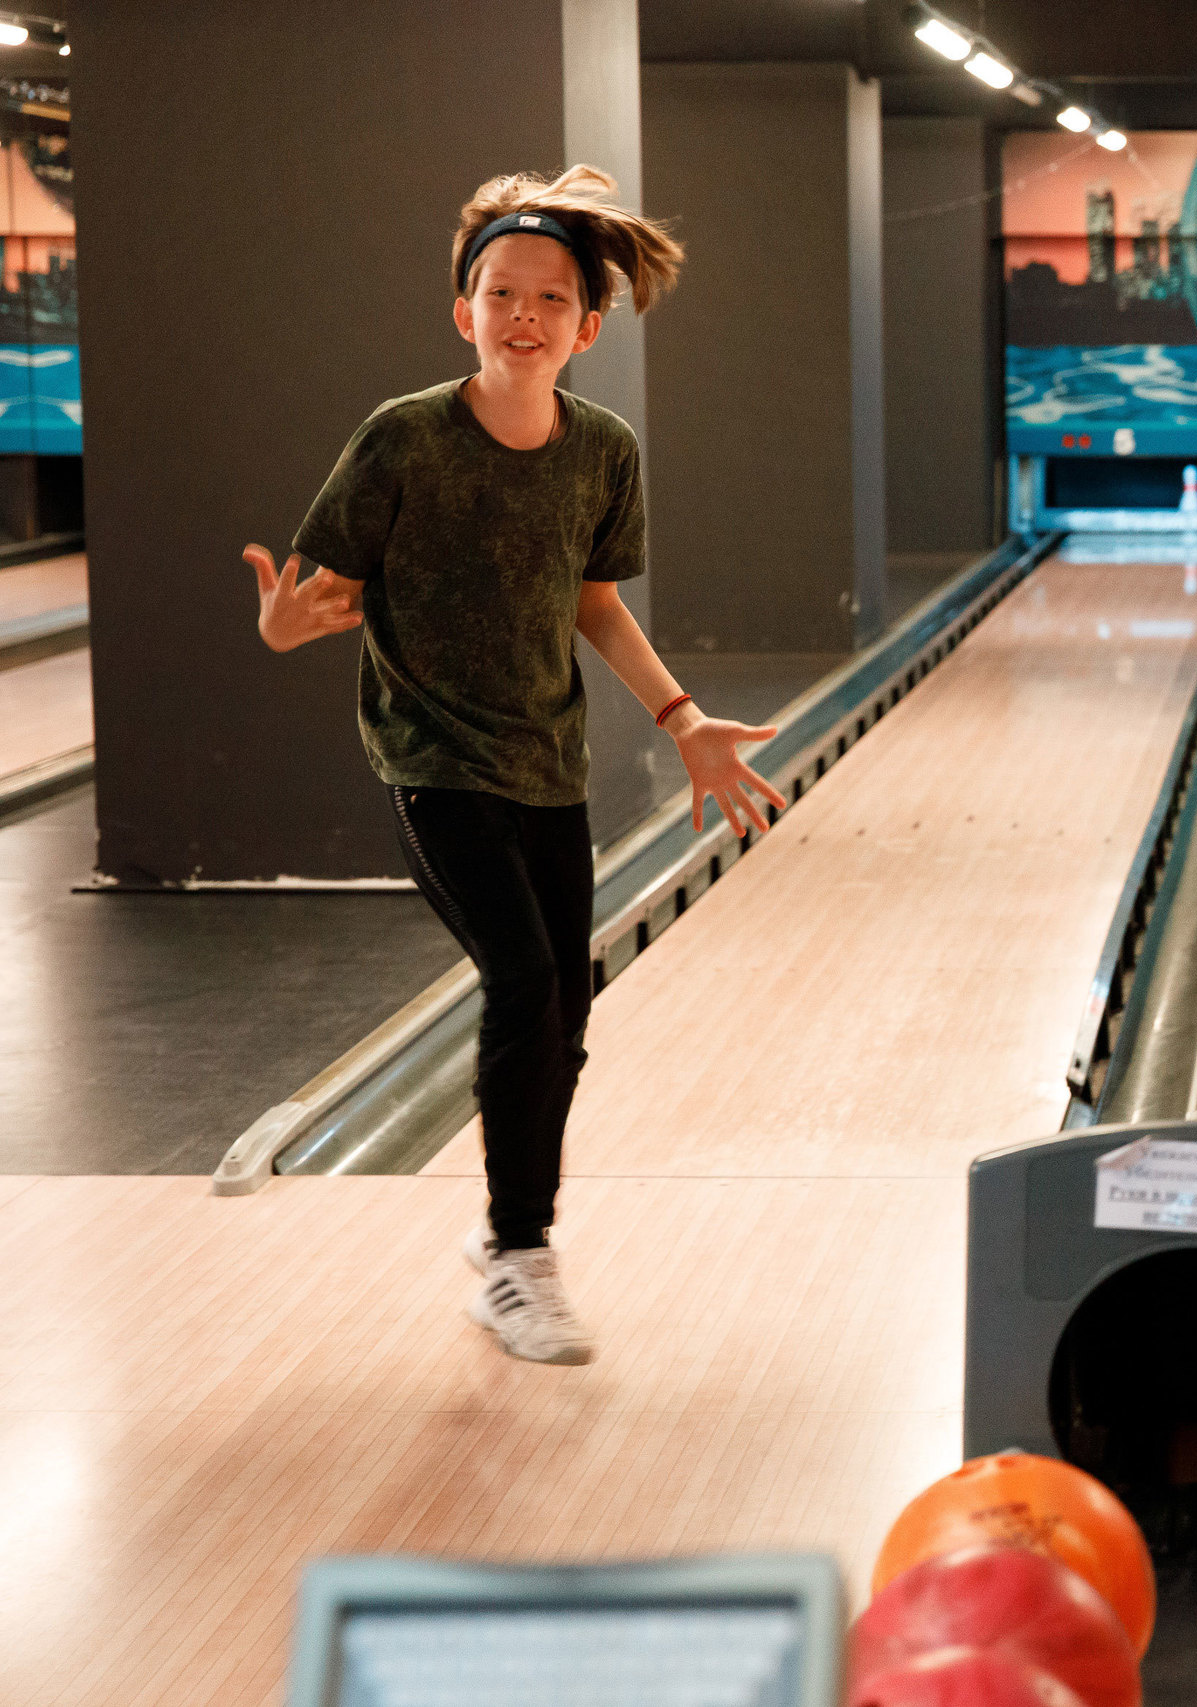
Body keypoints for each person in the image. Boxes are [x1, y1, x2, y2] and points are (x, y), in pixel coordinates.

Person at [243, 165, 788, 1364]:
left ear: (588, 328)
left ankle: (506, 1245)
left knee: (564, 1016)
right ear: (465, 312)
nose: (523, 313)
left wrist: (682, 715)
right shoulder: (401, 438)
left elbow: (592, 601)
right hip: (430, 758)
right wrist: (285, 624)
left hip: (550, 759)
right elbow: (311, 593)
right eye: (499, 292)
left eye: (548, 297)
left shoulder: (603, 448)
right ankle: (519, 1252)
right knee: (527, 980)